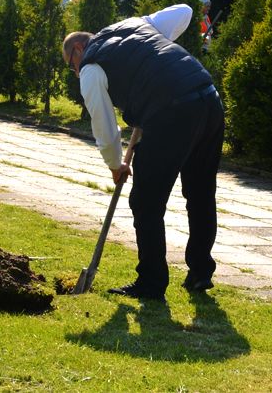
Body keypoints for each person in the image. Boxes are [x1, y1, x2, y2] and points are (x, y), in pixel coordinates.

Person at [63, 17, 224, 300]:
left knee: (145, 201)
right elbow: (183, 12)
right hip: (209, 100)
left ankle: (151, 283)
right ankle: (200, 272)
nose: (75, 72)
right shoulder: (137, 24)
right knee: (200, 193)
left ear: (78, 48)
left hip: (172, 111)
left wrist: (116, 165)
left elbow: (103, 124)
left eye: (71, 65)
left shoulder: (91, 66)